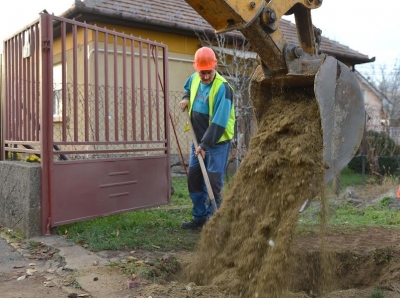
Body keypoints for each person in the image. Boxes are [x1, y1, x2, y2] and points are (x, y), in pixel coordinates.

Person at [179, 47, 235, 230]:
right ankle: (199, 217)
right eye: (202, 72)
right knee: (194, 178)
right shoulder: (195, 78)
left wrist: (205, 145)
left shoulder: (223, 88)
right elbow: (187, 88)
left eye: (208, 72)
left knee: (213, 181)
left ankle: (214, 219)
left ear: (215, 67)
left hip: (216, 142)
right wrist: (186, 98)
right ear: (197, 70)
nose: (204, 77)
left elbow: (219, 121)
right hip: (198, 140)